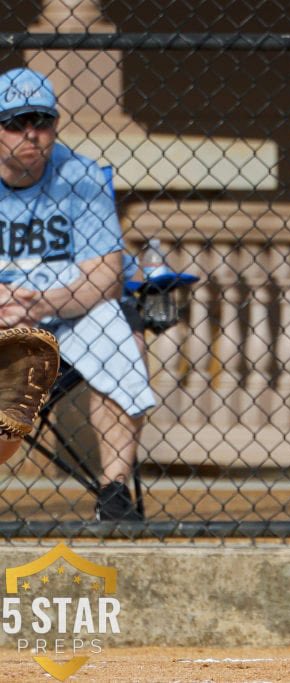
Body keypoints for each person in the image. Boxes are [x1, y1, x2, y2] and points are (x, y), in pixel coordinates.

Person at [0, 67, 155, 520]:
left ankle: (114, 491)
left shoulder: (80, 174)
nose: (31, 133)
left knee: (122, 335)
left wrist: (41, 303)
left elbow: (104, 275)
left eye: (42, 120)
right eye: (15, 122)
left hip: (66, 312)